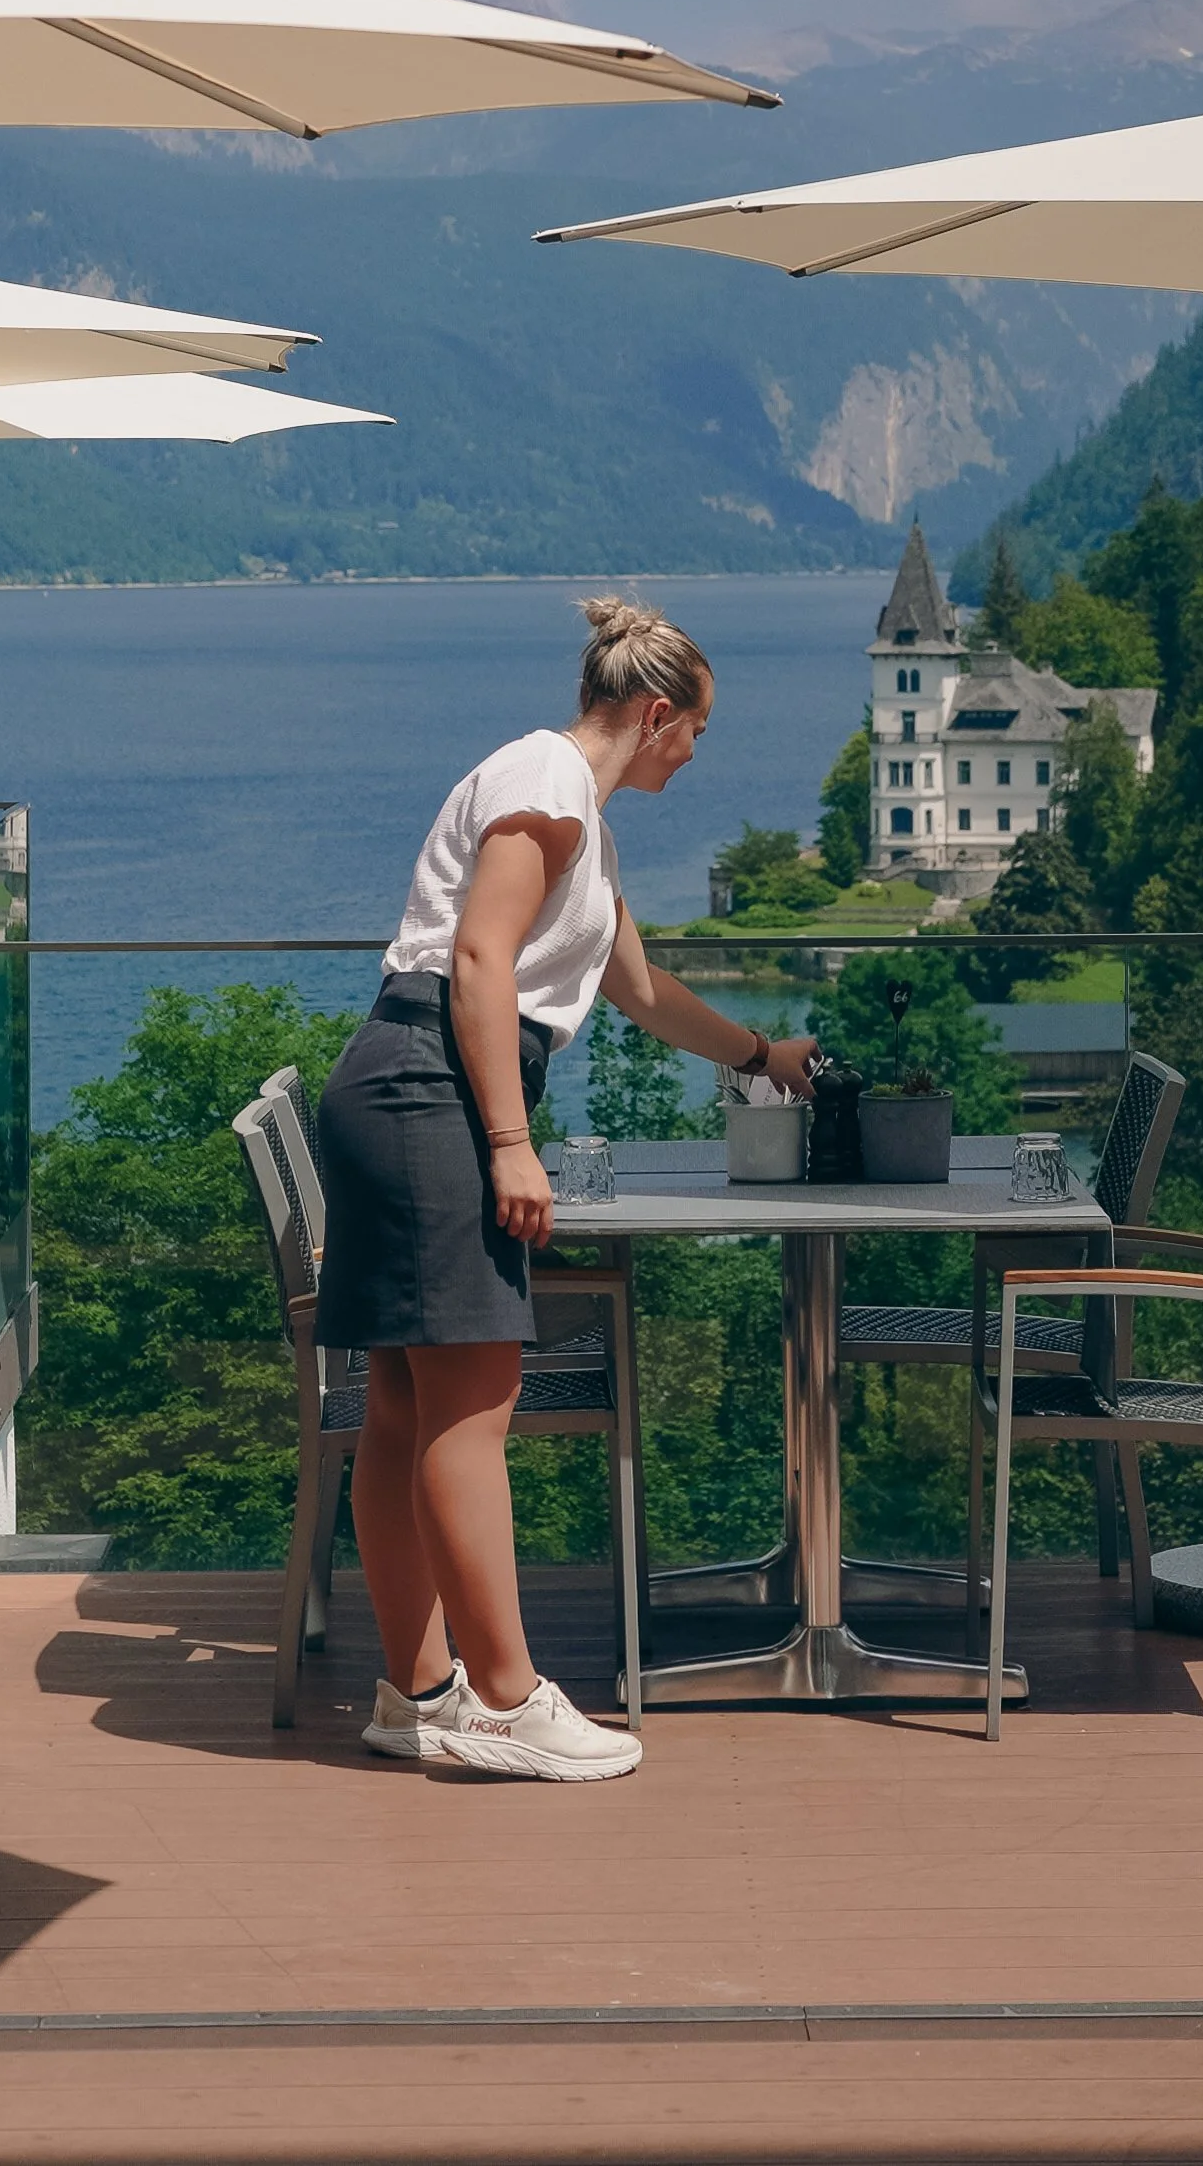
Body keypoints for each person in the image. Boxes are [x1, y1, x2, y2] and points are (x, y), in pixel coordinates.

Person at [314, 595, 816, 1780]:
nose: (695, 751)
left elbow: (638, 989)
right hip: (433, 1086)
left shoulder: (575, 812)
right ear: (654, 714)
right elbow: (479, 957)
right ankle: (507, 1697)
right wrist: (508, 1138)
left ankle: (418, 1690)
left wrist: (759, 1054)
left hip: (402, 1082)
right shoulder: (543, 780)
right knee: (472, 1403)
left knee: (404, 1405)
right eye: (695, 729)